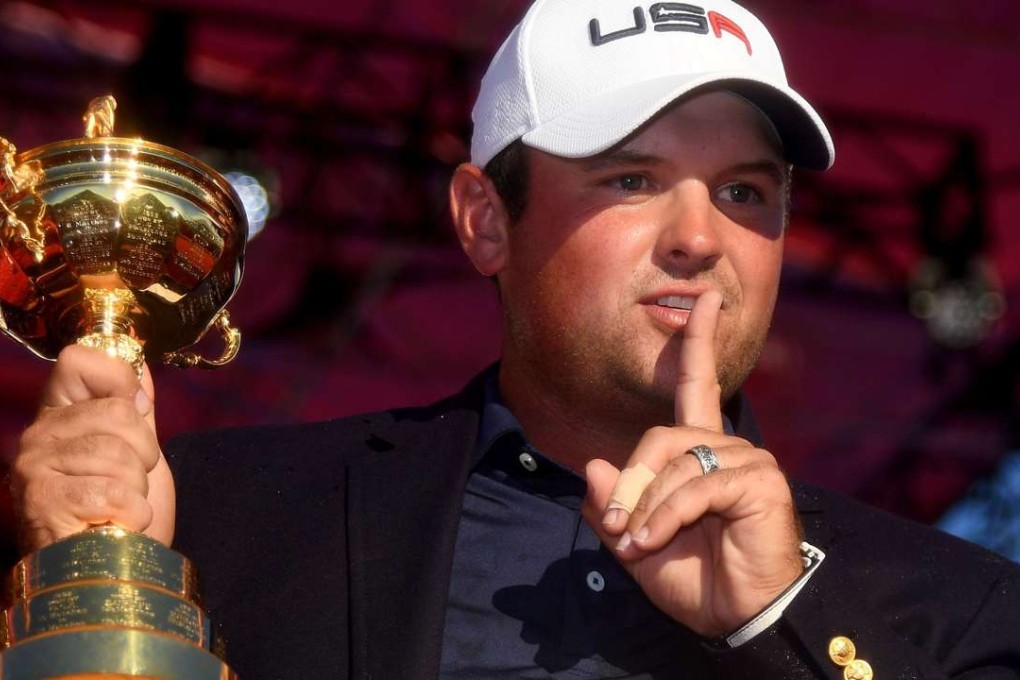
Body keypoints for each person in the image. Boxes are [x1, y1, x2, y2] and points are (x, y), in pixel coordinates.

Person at [9, 0, 1020, 677]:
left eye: (745, 192)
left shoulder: (960, 611)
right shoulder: (218, 517)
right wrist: (81, 585)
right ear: (485, 220)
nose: (701, 237)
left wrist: (781, 621)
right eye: (632, 178)